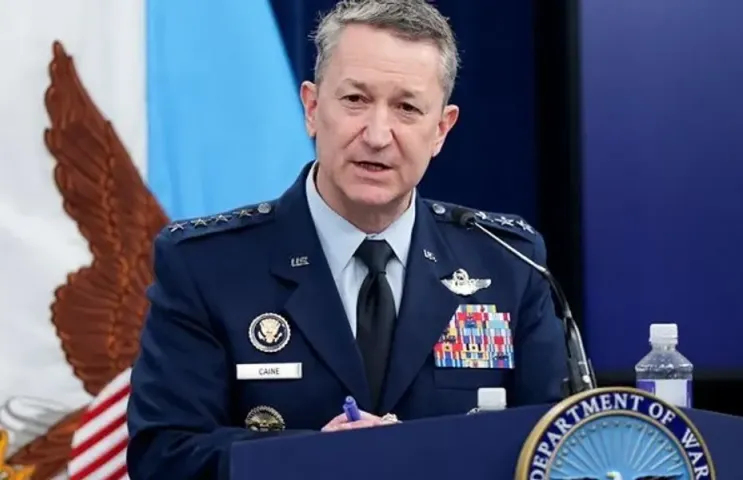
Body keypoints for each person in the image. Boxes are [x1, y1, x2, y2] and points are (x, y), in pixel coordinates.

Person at [126, 0, 569, 478]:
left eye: (406, 108)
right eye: (356, 99)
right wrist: (315, 460)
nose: (377, 135)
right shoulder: (206, 266)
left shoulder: (508, 263)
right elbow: (164, 455)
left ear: (441, 129)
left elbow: (560, 446)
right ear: (313, 108)